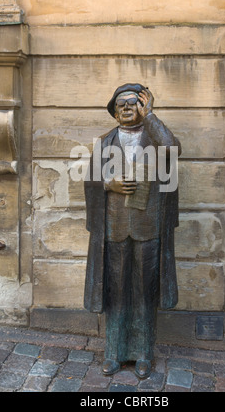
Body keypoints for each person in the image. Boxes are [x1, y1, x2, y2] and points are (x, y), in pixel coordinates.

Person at [84, 83, 181, 379]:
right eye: (121, 104)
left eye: (133, 103)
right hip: (113, 228)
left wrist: (150, 116)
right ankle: (112, 353)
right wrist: (106, 184)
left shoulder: (156, 138)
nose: (127, 108)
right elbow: (88, 182)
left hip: (147, 226)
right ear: (114, 112)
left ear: (143, 106)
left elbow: (175, 151)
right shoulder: (103, 142)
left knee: (144, 292)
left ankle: (143, 354)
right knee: (114, 291)